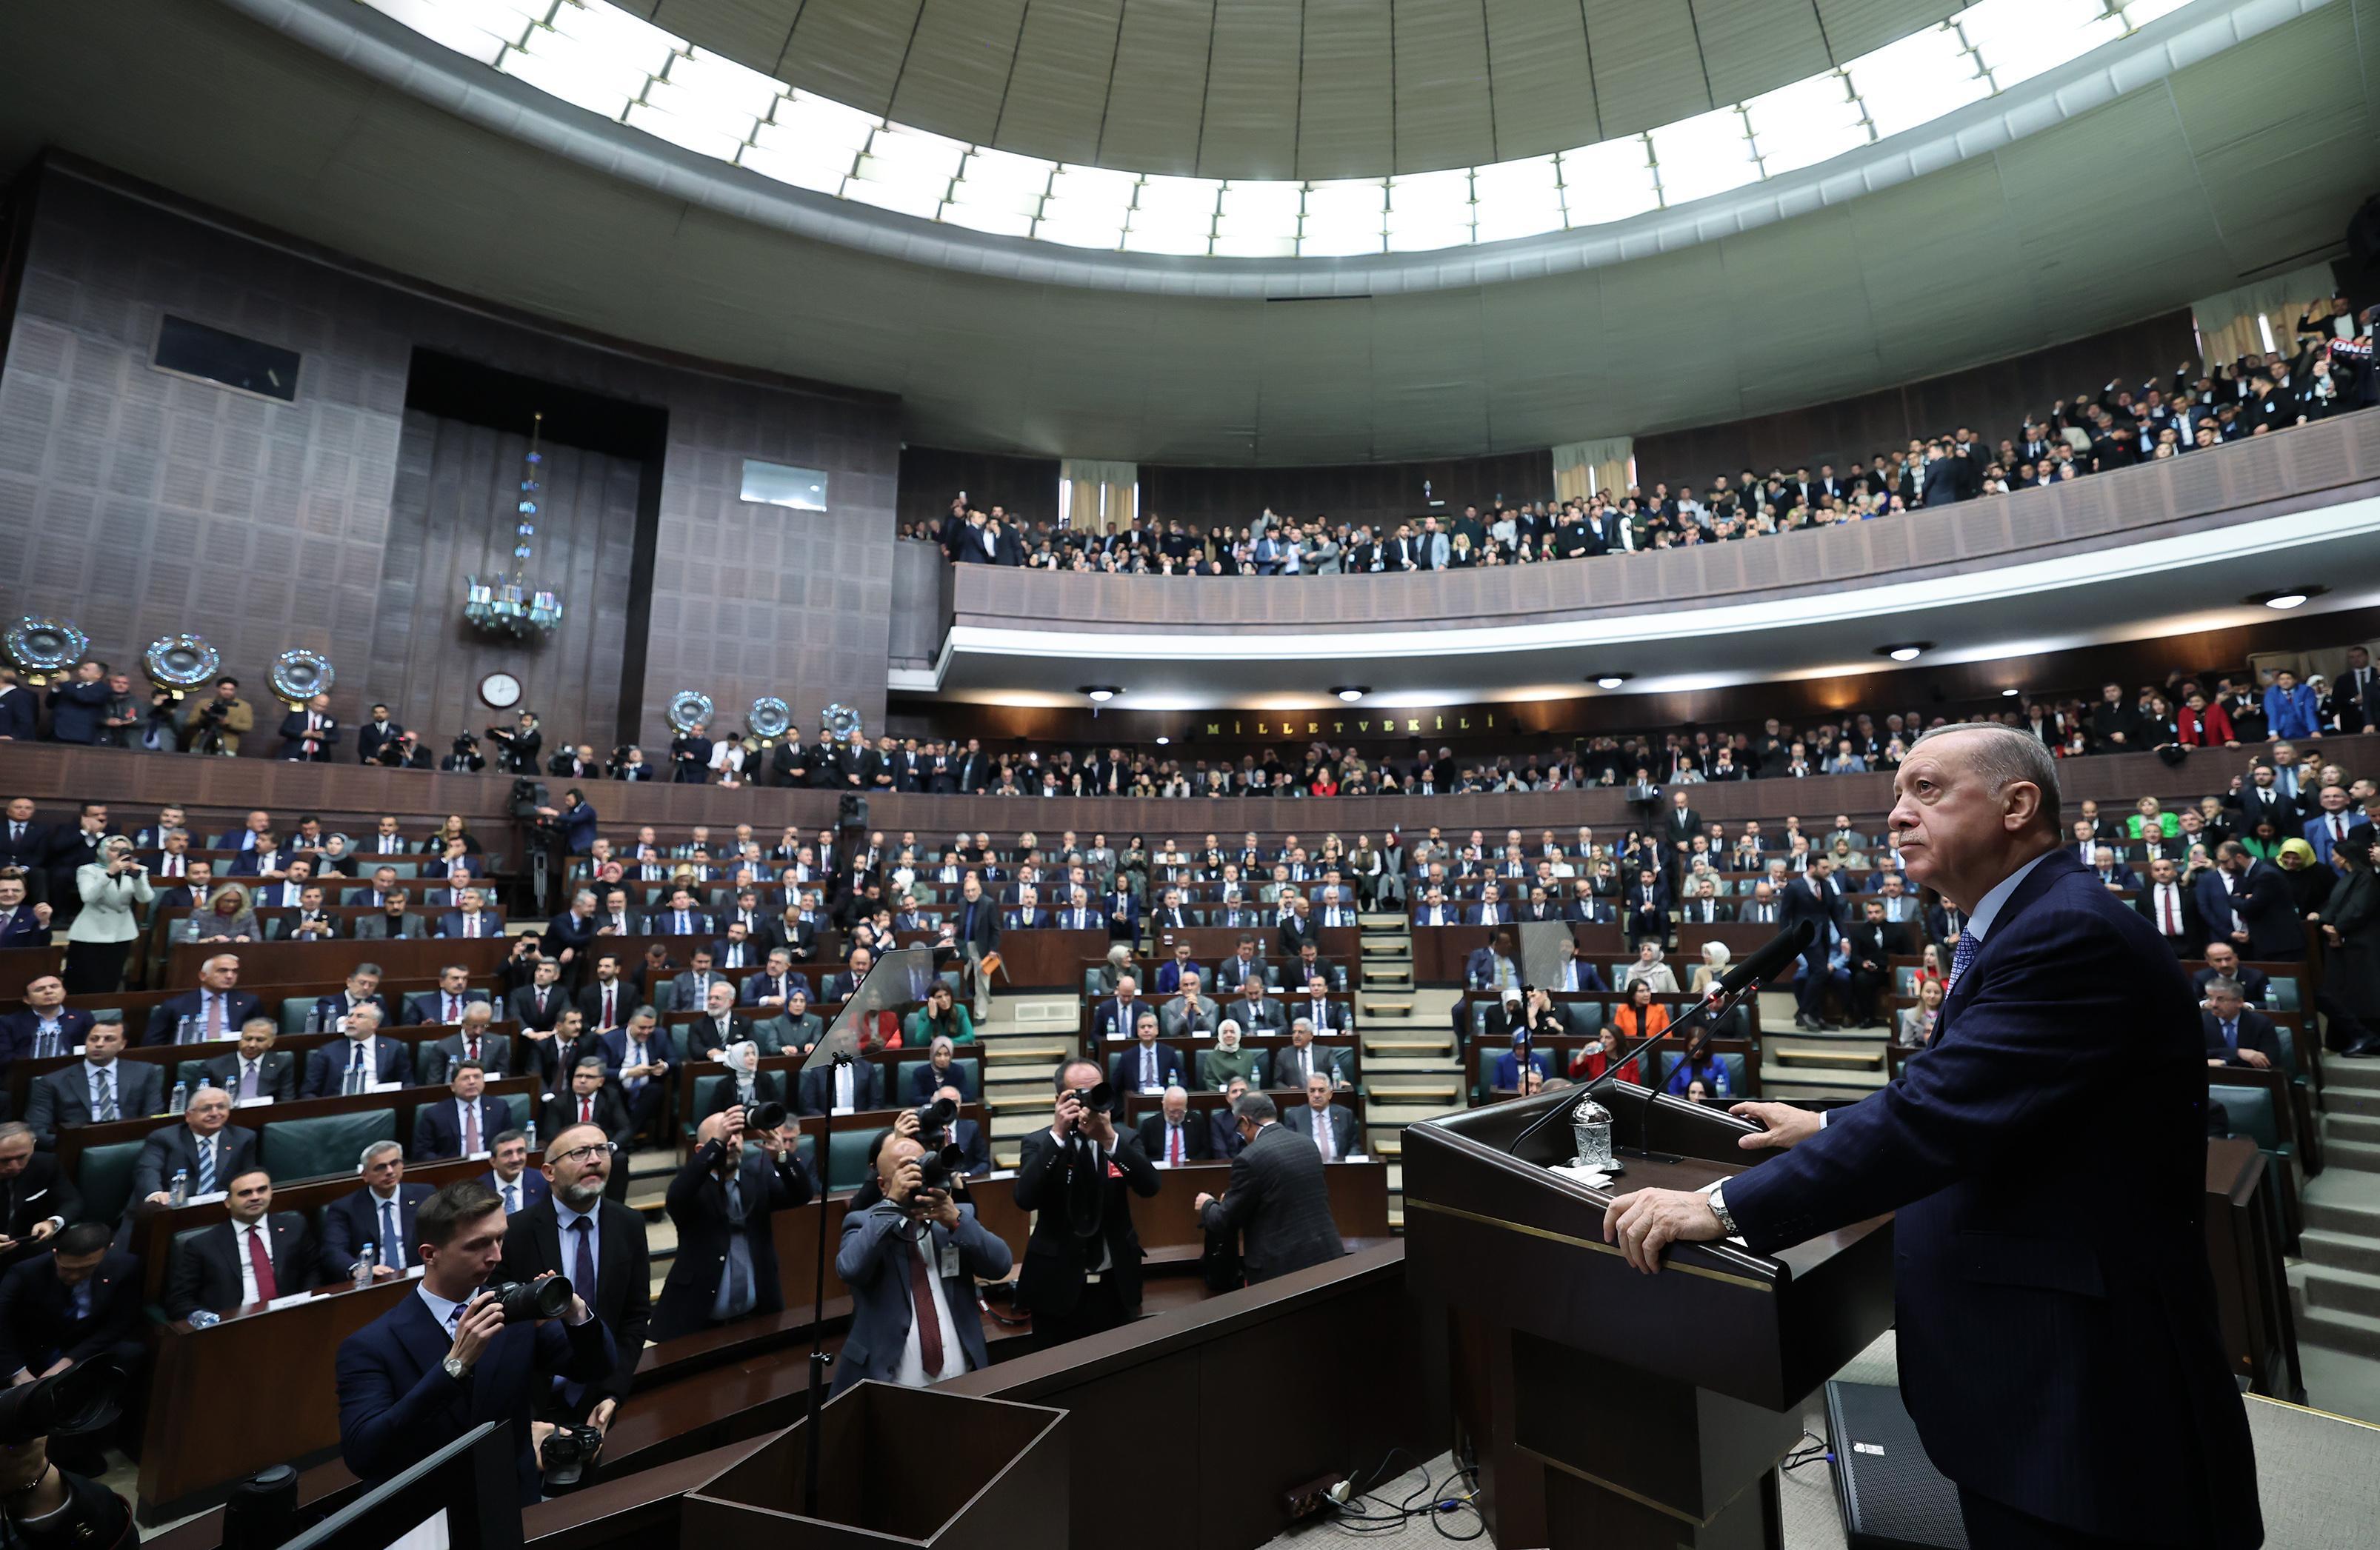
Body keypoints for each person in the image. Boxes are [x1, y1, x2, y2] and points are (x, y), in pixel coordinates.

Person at [1601, 724, 2259, 1549]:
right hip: (2038, 1374)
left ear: (2018, 804)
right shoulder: (2026, 920)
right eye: (1896, 794)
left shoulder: (2065, 933)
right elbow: (1993, 1098)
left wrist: (1724, 1206)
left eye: (1926, 789)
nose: (1897, 814)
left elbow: (1939, 1116)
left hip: (2083, 1387)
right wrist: (1827, 1124)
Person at [336, 1180, 615, 1508]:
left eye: (500, 1238)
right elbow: (364, 1455)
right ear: (430, 1254)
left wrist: (576, 1314)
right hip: (426, 1512)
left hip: (510, 1501)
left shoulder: (514, 1312)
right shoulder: (370, 1345)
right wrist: (453, 1368)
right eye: (478, 1245)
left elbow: (596, 1367)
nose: (496, 1256)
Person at [830, 1129, 1013, 1393]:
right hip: (890, 1387)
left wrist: (956, 1220)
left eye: (922, 1163)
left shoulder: (953, 1219)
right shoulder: (863, 1222)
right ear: (883, 1185)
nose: (918, 1173)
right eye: (906, 1168)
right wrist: (893, 1204)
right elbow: (850, 1268)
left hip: (964, 1382)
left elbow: (1001, 1264)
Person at [498, 1122, 650, 1435]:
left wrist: (613, 1391)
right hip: (528, 1403)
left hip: (598, 1397)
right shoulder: (515, 1232)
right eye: (580, 1152)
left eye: (602, 1149)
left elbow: (634, 1317)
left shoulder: (629, 1224)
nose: (594, 1159)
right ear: (549, 1172)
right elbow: (501, 1326)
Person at [1012, 1058, 1159, 1349]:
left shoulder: (1124, 1138)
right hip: (1056, 1287)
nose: (1089, 1102)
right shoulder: (1040, 1142)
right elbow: (1024, 1198)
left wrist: (1109, 1141)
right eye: (1079, 1094)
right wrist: (1057, 1135)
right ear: (1059, 1099)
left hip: (1114, 1284)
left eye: (1096, 1092)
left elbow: (1150, 1186)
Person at [647, 1106, 814, 1340]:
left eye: (737, 1135)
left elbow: (802, 1195)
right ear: (701, 1150)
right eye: (725, 1136)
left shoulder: (755, 1179)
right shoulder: (692, 1189)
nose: (732, 1141)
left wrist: (782, 1158)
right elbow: (676, 1196)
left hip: (758, 1315)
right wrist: (718, 1143)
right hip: (697, 1321)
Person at [0, 1223, 142, 1466]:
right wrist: (18, 1373)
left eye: (85, 1269)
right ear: (56, 1254)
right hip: (33, 1346)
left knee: (130, 1353)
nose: (73, 1276)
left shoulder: (126, 1266)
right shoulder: (25, 1272)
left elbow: (119, 1324)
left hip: (82, 1346)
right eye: (66, 1269)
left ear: (107, 1251)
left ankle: (79, 1450)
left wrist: (70, 1360)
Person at [1194, 1092, 1344, 1284]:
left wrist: (1207, 1205)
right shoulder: (1307, 1144)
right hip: (1325, 1255)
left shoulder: (1250, 1158)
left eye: (1240, 1129)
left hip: (1283, 1271)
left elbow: (1226, 1220)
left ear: (1245, 1122)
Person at [162, 1167, 316, 1320]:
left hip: (289, 1316)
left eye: (262, 1190)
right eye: (245, 1193)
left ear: (271, 1192)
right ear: (228, 1202)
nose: (255, 1197)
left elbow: (312, 1270)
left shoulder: (295, 1226)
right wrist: (208, 1320)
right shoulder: (202, 1245)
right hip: (232, 1326)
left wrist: (306, 1308)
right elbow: (180, 1300)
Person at [24, 1023, 161, 1143]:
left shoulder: (144, 1071)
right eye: (93, 1039)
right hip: (77, 1146)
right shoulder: (51, 1081)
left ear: (122, 1044)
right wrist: (68, 1145)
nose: (99, 1044)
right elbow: (37, 1131)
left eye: (109, 1039)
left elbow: (153, 1115)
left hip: (130, 1141)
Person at [319, 1141, 435, 1281]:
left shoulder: (425, 1195)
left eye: (394, 1163)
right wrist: (360, 1268)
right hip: (374, 1281)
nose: (390, 1171)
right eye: (380, 1167)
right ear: (365, 1175)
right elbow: (333, 1251)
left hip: (420, 1277)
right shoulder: (345, 1208)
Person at [128, 1086, 255, 1210]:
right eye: (206, 1109)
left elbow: (249, 1178)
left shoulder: (243, 1138)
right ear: (189, 1115)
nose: (215, 1113)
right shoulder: (164, 1138)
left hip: (223, 1209)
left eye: (221, 1107)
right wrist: (155, 1194)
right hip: (175, 1210)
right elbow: (147, 1169)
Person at [60, 838, 147, 995]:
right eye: (114, 849)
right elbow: (88, 897)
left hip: (121, 933)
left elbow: (145, 898)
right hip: (90, 933)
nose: (119, 854)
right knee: (81, 980)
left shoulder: (138, 870)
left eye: (124, 850)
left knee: (110, 980)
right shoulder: (88, 870)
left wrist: (138, 878)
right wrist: (109, 874)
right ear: (102, 851)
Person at [0, 1123, 76, 1273]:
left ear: (33, 1146)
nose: (14, 1167)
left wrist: (52, 1223)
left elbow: (72, 1201)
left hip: (27, 1244)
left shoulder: (46, 1164)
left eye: (22, 1157)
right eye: (4, 1160)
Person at [301, 1003, 411, 1096]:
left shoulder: (393, 1047)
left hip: (381, 1106)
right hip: (339, 1108)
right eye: (350, 1016)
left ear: (374, 1024)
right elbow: (308, 1092)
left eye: (360, 1016)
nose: (351, 1021)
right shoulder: (328, 1051)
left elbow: (408, 1084)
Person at [413, 1061, 511, 1161]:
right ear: (453, 1086)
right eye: (465, 1078)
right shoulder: (434, 1114)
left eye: (477, 1077)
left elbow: (509, 1141)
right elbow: (422, 1152)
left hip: (490, 1166)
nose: (472, 1082)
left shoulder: (499, 1107)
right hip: (451, 1171)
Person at [2201, 978, 2284, 1070]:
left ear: (2239, 1002)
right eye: (2210, 998)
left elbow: (2269, 1060)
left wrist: (2225, 1062)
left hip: (2254, 1078)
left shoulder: (2261, 1023)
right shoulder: (2202, 1021)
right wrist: (2238, 1053)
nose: (2214, 1004)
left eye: (2221, 999)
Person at [1282, 1070, 1361, 1159]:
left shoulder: (1345, 1115)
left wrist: (1347, 1164)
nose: (1316, 1095)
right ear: (1307, 1093)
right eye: (1312, 1091)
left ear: (1330, 1094)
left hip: (1340, 1168)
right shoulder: (1295, 1117)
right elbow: (1290, 1149)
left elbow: (1355, 1145)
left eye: (1321, 1090)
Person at [1136, 1085, 1211, 1164]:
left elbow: (1206, 1151)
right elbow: (1141, 1154)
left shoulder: (1196, 1121)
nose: (1176, 1116)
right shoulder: (1150, 1125)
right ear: (1164, 1105)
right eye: (1172, 1112)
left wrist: (1192, 1163)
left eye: (1181, 1112)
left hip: (1188, 1170)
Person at [485, 1131, 551, 1216]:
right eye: (507, 1154)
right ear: (493, 1161)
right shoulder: (481, 1188)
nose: (515, 1159)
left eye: (520, 1151)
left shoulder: (543, 1181)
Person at [1896, 978, 1945, 1048]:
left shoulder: (1948, 1015)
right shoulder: (1910, 1015)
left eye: (1937, 992)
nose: (1932, 996)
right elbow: (1906, 1043)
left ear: (1942, 995)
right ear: (1921, 993)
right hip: (1918, 1054)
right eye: (1928, 992)